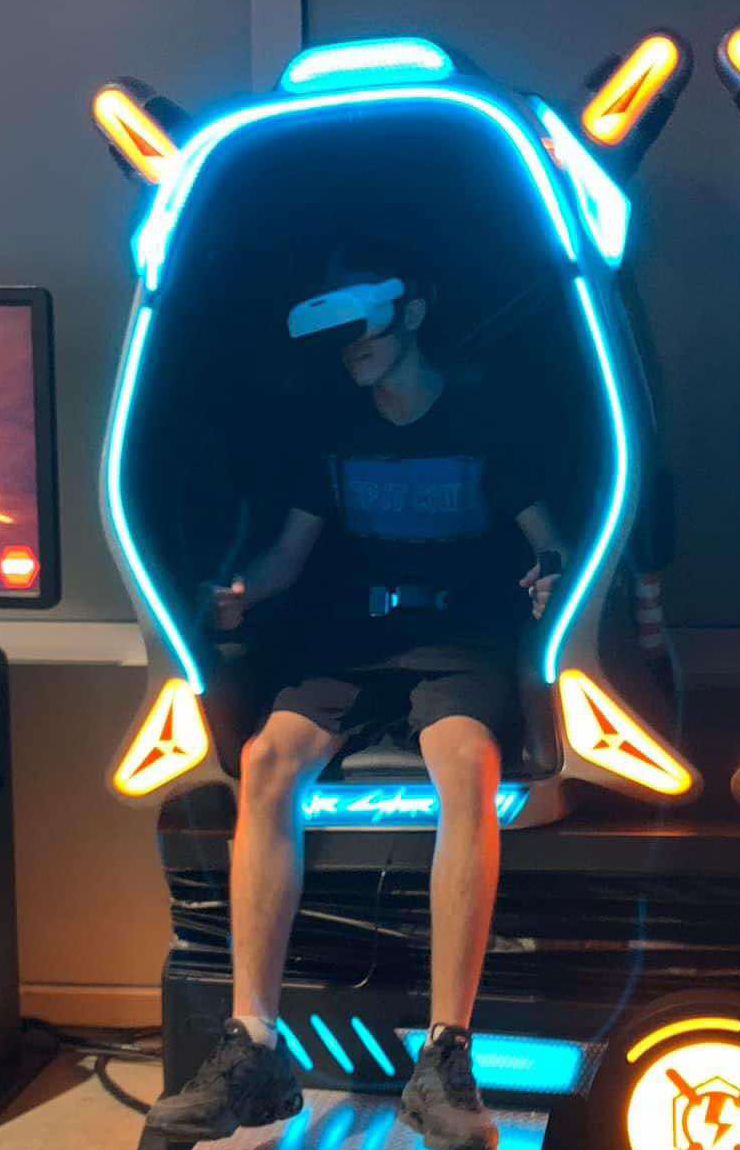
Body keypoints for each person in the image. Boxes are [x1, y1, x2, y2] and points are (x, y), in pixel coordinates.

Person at [144, 244, 565, 1150]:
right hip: (347, 641)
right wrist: (238, 595)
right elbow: (285, 562)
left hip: (461, 640)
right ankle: (253, 1046)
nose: (351, 349)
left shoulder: (485, 417)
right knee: (266, 760)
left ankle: (444, 1058)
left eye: (361, 326)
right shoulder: (332, 432)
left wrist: (553, 576)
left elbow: (550, 538)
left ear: (410, 313)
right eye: (334, 336)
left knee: (464, 763)